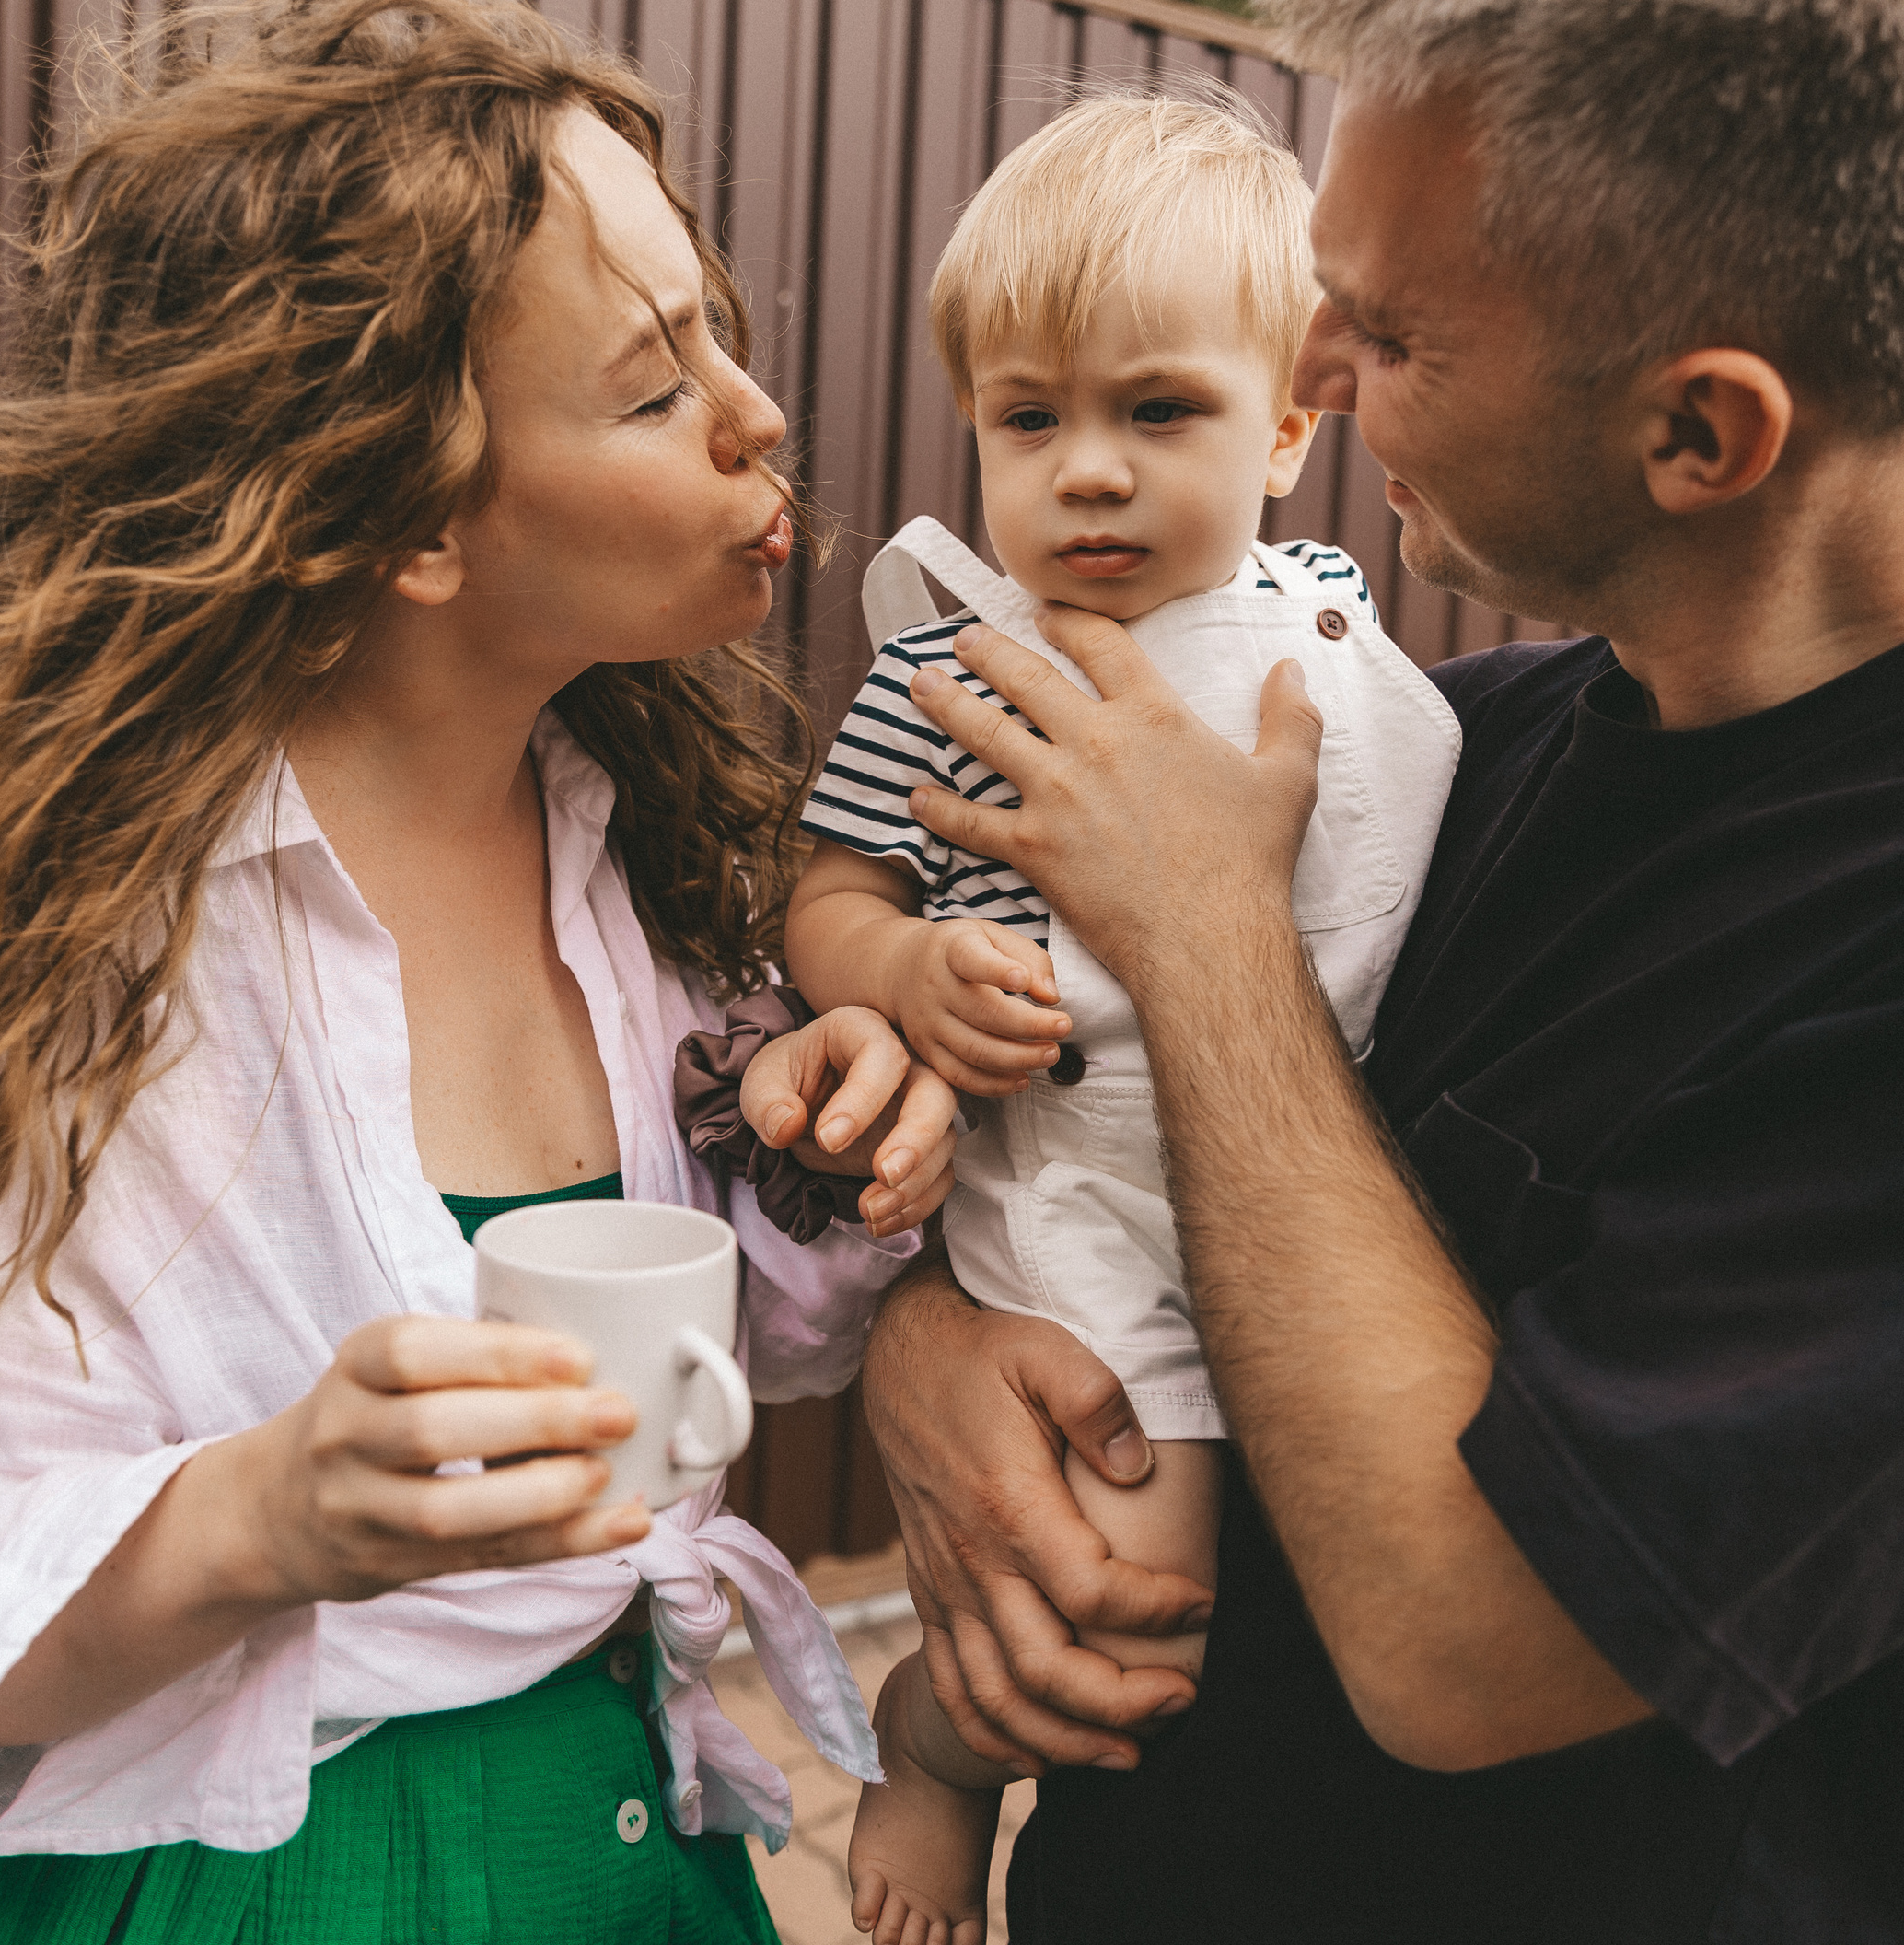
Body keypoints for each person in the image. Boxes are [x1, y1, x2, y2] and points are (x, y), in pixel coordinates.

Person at [0, 6, 961, 1940]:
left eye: (719, 334)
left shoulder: (650, 864)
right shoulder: (66, 956)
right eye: (652, 381)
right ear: (411, 507)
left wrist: (827, 1142)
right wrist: (258, 1518)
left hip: (637, 1852)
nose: (757, 416)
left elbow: (700, 1362)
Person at [856, 0, 1904, 1939]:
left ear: (1700, 432)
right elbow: (1122, 1179)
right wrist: (927, 1341)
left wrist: (1201, 937)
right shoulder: (1447, 745)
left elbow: (1461, 1653)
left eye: (1390, 332)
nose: (1310, 370)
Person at [778, 91, 1457, 1945]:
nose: (1083, 470)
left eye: (1154, 412)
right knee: (1109, 1626)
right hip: (1080, 1205)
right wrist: (902, 972)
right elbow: (829, 897)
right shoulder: (946, 662)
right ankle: (924, 1753)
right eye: (1027, 417)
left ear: (1288, 427)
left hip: (1318, 1192)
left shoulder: (1329, 620)